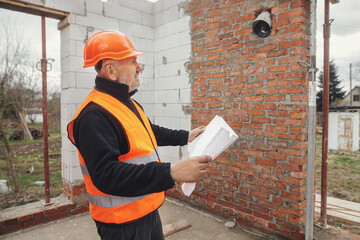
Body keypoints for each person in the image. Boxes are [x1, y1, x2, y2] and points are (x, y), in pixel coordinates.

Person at [67, 30, 211, 240]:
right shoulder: (93, 115)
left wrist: (186, 136)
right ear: (111, 71)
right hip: (122, 225)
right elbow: (106, 174)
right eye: (133, 61)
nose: (139, 67)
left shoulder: (127, 102)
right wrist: (170, 172)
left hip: (146, 209)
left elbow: (148, 132)